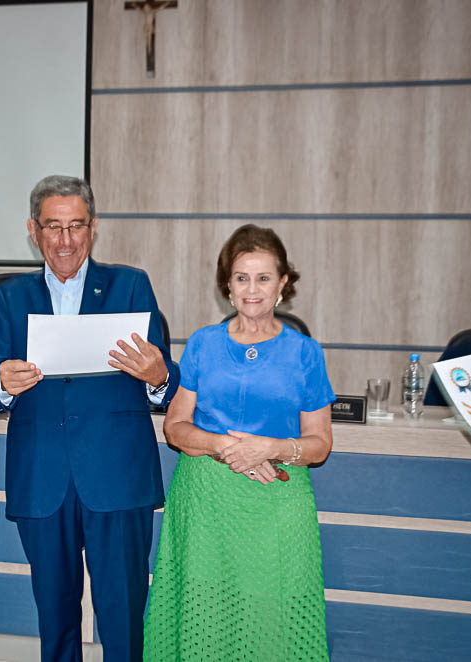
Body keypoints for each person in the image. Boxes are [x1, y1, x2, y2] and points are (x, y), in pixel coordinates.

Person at [0, 175, 179, 662]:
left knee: (124, 616)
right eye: (53, 227)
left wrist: (157, 375)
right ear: (33, 230)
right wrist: (3, 380)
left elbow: (168, 383)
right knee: (56, 619)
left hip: (117, 478)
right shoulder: (10, 297)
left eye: (76, 227)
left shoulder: (131, 285)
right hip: (43, 478)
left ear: (93, 228)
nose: (65, 241)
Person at [144, 224, 335, 661]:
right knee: (205, 619)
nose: (253, 289)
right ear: (227, 286)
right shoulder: (202, 344)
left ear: (283, 284)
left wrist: (267, 447)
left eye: (264, 277)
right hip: (206, 503)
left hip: (277, 503)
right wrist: (227, 448)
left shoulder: (306, 352)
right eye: (242, 278)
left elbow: (320, 444)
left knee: (274, 622)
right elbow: (176, 428)